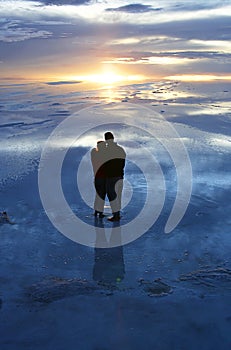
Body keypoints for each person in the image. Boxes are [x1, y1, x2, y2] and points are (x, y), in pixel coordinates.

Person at [104, 132, 126, 222]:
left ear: (106, 140)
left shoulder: (107, 151)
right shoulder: (120, 149)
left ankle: (115, 215)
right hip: (119, 176)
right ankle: (117, 214)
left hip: (111, 176)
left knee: (112, 196)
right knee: (118, 195)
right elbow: (123, 163)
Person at [91, 140, 107, 218]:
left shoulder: (94, 153)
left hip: (96, 178)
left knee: (98, 195)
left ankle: (96, 211)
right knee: (102, 196)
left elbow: (94, 150)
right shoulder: (103, 155)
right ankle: (100, 212)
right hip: (103, 178)